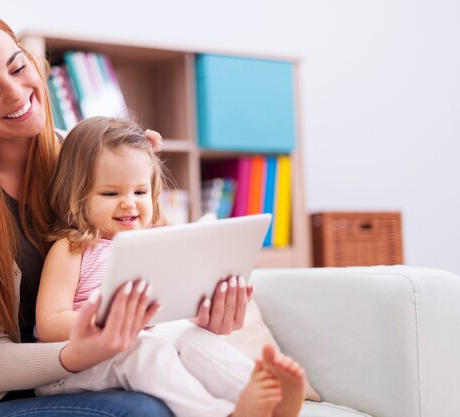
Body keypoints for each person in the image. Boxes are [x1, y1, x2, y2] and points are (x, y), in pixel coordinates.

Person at [0, 6, 260, 417]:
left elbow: (153, 264)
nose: (15, 94)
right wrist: (80, 351)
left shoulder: (93, 158)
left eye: (16, 67)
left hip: (112, 359)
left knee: (168, 372)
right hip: (11, 399)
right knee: (142, 410)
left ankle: (265, 401)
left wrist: (200, 313)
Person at [35, 116, 306, 417]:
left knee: (192, 339)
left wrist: (201, 310)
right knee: (143, 349)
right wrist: (105, 320)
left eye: (139, 192)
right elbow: (48, 325)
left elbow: (167, 314)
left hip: (139, 347)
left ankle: (268, 399)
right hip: (75, 368)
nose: (129, 204)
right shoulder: (72, 247)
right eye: (110, 194)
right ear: (76, 195)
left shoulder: (154, 243)